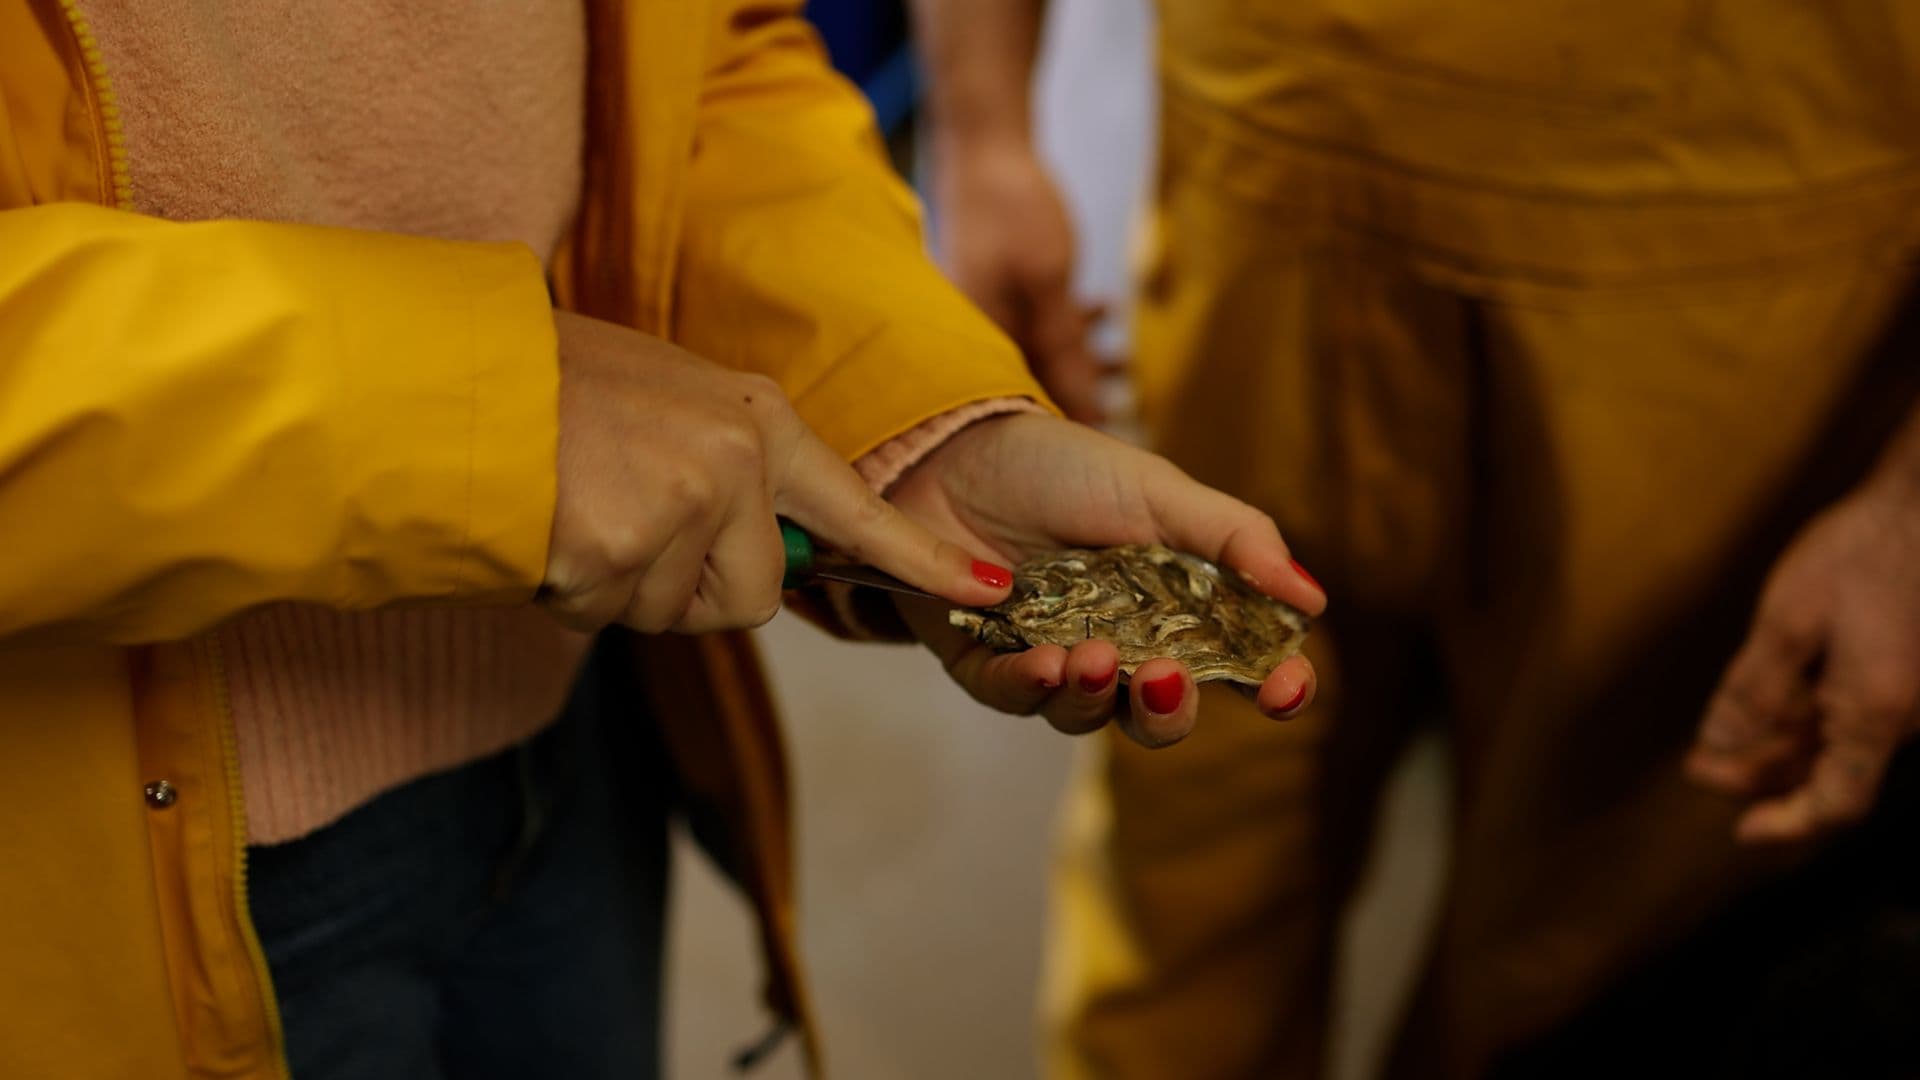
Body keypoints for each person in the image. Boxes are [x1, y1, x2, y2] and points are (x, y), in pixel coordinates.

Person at [0, 3, 1328, 1078]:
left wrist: (911, 423)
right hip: (105, 845)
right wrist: (467, 413)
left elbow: (703, 64)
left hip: (574, 720)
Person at [913, 1, 1920, 1076]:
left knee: (1585, 975)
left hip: (1757, 292)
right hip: (1263, 202)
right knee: (1181, 877)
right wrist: (985, 128)